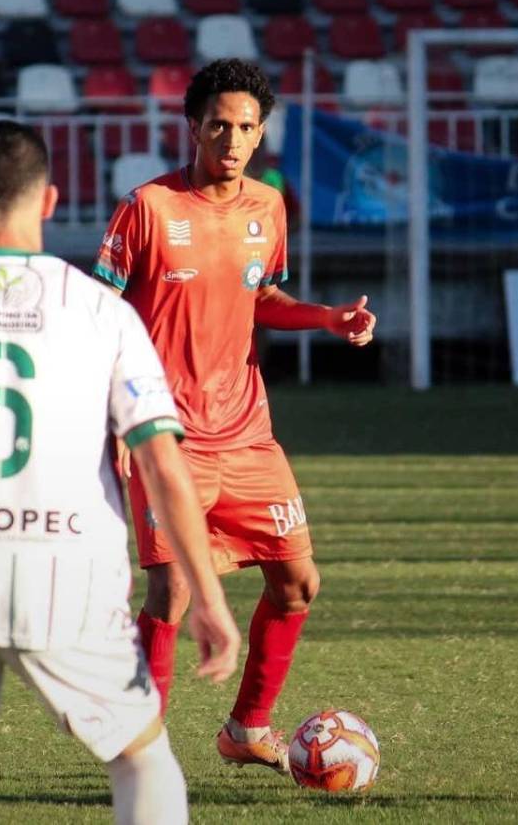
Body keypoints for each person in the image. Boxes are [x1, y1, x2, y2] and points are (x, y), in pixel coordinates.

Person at [0, 120, 241, 825]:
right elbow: (160, 460)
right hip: (73, 573)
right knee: (140, 757)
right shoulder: (103, 313)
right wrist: (210, 599)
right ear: (50, 201)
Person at [93, 59, 376, 774]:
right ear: (192, 126)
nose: (232, 138)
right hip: (167, 436)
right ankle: (141, 755)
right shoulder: (147, 209)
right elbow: (95, 317)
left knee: (298, 583)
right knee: (173, 589)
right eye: (218, 123)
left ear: (259, 135)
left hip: (248, 434)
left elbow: (264, 297)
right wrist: (112, 418)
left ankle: (247, 729)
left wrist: (326, 318)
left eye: (246, 127)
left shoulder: (267, 208)